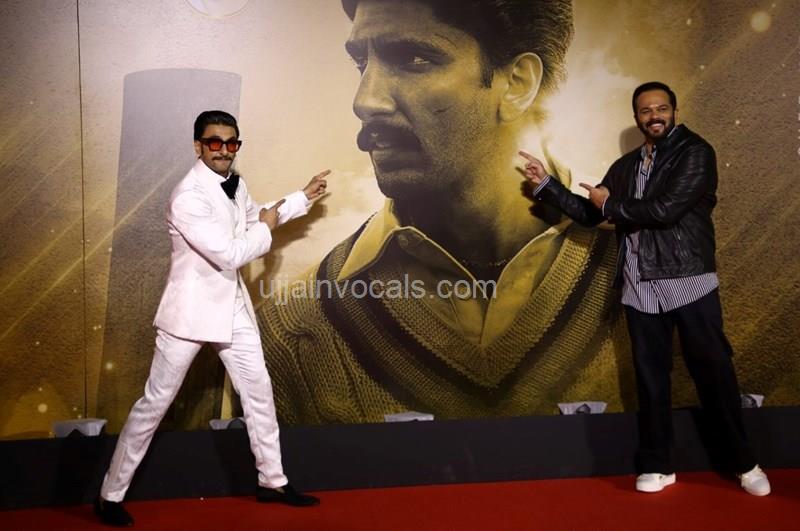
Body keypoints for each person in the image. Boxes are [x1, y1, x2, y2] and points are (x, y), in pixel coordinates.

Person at [257, 0, 626, 424]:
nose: (365, 101)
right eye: (361, 63)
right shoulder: (296, 331)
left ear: (517, 83)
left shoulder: (643, 276)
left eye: (415, 59)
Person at [520, 81, 771, 496]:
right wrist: (548, 185)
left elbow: (665, 210)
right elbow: (592, 213)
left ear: (674, 111)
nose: (654, 116)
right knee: (651, 380)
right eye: (645, 110)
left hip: (688, 279)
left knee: (714, 374)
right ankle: (658, 464)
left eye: (661, 108)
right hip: (639, 285)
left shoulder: (695, 152)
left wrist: (609, 204)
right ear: (636, 117)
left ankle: (745, 463)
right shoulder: (625, 166)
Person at [94, 110, 329, 527]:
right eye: (215, 142)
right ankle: (110, 495)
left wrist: (302, 197)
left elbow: (255, 216)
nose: (224, 150)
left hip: (232, 307)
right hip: (189, 314)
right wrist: (266, 227)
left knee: (258, 391)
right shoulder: (187, 196)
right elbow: (231, 253)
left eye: (231, 142)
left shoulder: (234, 183)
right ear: (198, 146)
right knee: (155, 403)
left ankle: (272, 481)